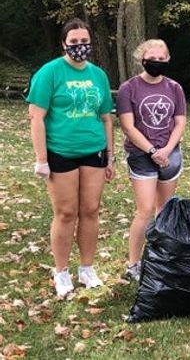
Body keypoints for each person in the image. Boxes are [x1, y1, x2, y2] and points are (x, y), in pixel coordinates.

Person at [27, 18, 115, 297]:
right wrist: (41, 158)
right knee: (66, 213)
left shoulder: (98, 75)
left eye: (84, 41)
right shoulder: (50, 72)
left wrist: (110, 156)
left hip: (94, 151)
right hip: (61, 152)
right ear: (64, 43)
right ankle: (61, 272)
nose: (80, 47)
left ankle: (87, 268)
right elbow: (36, 116)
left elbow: (106, 118)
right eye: (74, 42)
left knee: (90, 210)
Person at [117, 39, 187, 282]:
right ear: (142, 59)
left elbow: (179, 122)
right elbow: (127, 125)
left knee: (165, 211)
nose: (156, 63)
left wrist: (166, 150)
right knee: (145, 209)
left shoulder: (175, 88)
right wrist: (151, 150)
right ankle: (133, 263)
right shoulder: (129, 88)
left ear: (167, 60)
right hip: (141, 155)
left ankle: (162, 258)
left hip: (170, 154)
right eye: (151, 58)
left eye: (161, 59)